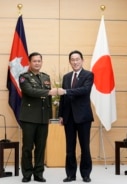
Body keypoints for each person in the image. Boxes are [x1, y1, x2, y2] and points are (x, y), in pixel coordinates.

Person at [19, 52, 57, 182]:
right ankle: (27, 173)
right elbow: (30, 91)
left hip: (42, 118)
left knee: (41, 148)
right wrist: (48, 92)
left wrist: (50, 116)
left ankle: (39, 173)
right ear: (29, 63)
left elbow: (49, 98)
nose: (37, 63)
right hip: (29, 118)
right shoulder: (24, 77)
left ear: (42, 62)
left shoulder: (45, 77)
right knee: (27, 147)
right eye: (34, 61)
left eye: (39, 61)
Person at [58, 50, 94, 183]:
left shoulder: (88, 75)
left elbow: (85, 90)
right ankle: (70, 175)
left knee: (85, 147)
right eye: (72, 60)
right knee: (69, 147)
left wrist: (67, 91)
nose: (75, 62)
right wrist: (60, 115)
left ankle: (86, 174)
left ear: (82, 60)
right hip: (68, 117)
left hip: (83, 117)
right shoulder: (66, 77)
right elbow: (63, 98)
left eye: (77, 59)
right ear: (70, 62)